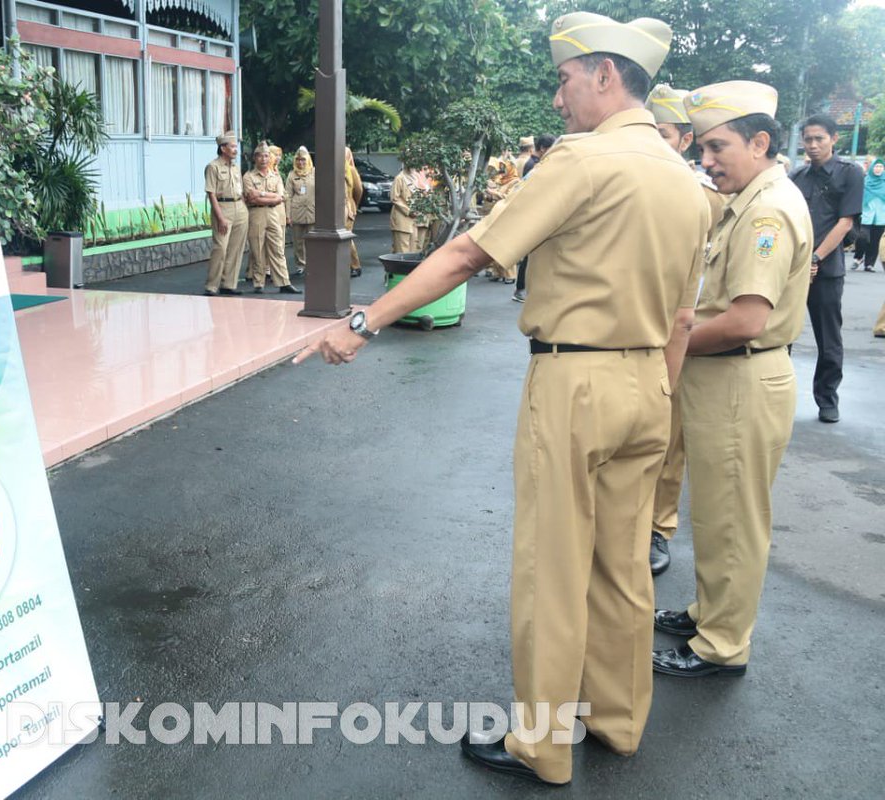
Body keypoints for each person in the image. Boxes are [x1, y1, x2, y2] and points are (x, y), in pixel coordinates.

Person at [296, 12, 707, 785]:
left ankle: (544, 746)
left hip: (575, 379)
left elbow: (465, 253)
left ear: (604, 75)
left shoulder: (584, 161)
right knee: (622, 567)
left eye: (564, 78)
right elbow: (685, 315)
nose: (558, 98)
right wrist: (656, 390)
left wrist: (363, 321)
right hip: (650, 381)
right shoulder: (686, 181)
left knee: (552, 569)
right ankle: (618, 723)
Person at [652, 81, 812, 678]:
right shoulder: (751, 198)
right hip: (725, 379)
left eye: (718, 147)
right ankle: (708, 612)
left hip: (742, 379)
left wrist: (667, 345)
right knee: (717, 513)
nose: (706, 160)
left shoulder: (766, 209)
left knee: (734, 521)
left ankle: (722, 645)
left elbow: (745, 320)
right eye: (704, 148)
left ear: (761, 141)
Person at [643, 84, 727, 575]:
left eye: (666, 133)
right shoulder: (629, 180)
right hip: (630, 327)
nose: (656, 140)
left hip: (678, 329)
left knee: (667, 437)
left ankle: (658, 525)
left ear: (684, 140)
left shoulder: (708, 197)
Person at [789, 113, 863, 423]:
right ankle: (776, 397)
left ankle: (827, 400)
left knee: (828, 340)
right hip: (794, 271)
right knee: (781, 336)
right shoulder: (796, 177)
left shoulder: (850, 174)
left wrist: (816, 259)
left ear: (834, 139)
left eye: (819, 138)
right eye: (808, 139)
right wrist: (798, 263)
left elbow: (845, 223)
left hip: (826, 270)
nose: (813, 145)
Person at [243, 142, 300, 294]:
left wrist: (261, 194)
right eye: (261, 156)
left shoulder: (276, 176)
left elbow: (280, 197)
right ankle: (258, 283)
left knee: (278, 249)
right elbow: (251, 198)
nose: (264, 159)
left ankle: (283, 282)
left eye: (267, 156)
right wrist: (270, 197)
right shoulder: (248, 177)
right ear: (255, 158)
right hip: (256, 214)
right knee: (257, 248)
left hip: (274, 214)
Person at [512, 134, 557, 303]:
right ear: (543, 148)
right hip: (532, 213)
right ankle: (521, 289)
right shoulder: (534, 165)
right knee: (530, 255)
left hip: (532, 212)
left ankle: (525, 288)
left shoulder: (534, 163)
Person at [203, 131, 248, 296]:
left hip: (239, 207)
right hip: (223, 208)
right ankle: (212, 285)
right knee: (220, 248)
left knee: (236, 249)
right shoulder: (212, 167)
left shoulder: (236, 168)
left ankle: (229, 284)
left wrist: (244, 208)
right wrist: (220, 217)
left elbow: (240, 190)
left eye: (236, 146)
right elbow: (211, 194)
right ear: (223, 148)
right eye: (233, 146)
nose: (236, 149)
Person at [285, 146, 315, 276]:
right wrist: (288, 215)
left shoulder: (314, 172)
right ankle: (300, 265)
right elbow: (288, 196)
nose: (300, 163)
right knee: (298, 241)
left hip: (312, 211)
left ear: (308, 160)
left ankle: (313, 264)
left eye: (303, 160)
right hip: (296, 212)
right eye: (298, 160)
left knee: (313, 240)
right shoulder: (292, 175)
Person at [854, 158, 885, 272]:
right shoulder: (865, 181)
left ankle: (869, 264)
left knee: (875, 242)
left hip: (881, 217)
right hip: (866, 215)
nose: (878, 169)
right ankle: (858, 257)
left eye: (881, 167)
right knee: (862, 237)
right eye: (876, 166)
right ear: (872, 168)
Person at [389, 162, 422, 254]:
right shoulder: (400, 178)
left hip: (414, 220)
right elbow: (394, 198)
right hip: (401, 220)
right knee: (402, 252)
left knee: (413, 252)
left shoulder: (417, 178)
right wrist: (408, 211)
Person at [345, 147, 364, 277]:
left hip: (348, 209)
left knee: (346, 237)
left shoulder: (351, 170)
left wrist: (353, 205)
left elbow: (358, 190)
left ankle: (355, 265)